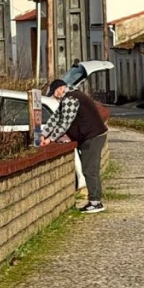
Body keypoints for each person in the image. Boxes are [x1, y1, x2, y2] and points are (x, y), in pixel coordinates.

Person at [41, 79, 108, 214]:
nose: (55, 96)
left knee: (90, 170)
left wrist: (50, 139)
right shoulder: (72, 95)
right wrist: (43, 133)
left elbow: (64, 123)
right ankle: (95, 200)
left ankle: (96, 202)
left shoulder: (70, 99)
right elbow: (56, 118)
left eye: (54, 93)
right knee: (89, 169)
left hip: (93, 136)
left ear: (60, 89)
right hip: (92, 135)